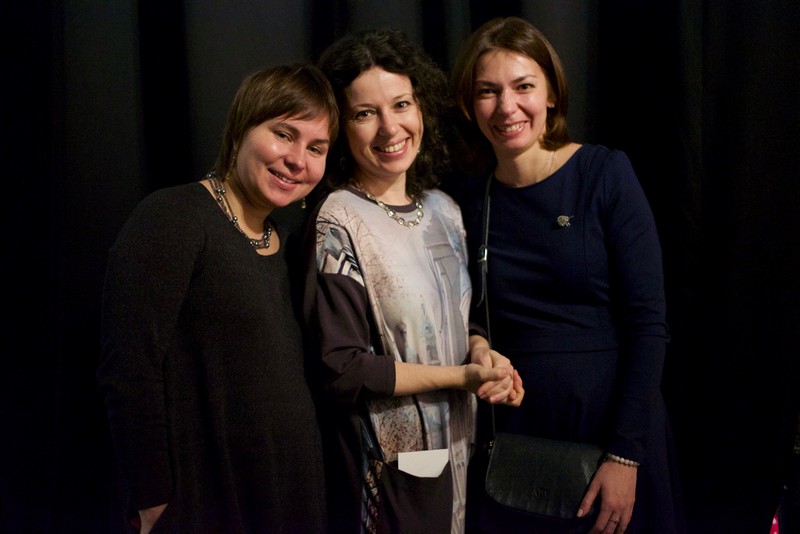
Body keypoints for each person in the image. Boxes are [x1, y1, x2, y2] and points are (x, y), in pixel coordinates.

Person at [448, 17, 685, 534]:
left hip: (612, 433)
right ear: (469, 104)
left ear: (551, 94)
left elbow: (649, 326)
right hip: (520, 440)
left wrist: (625, 455)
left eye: (523, 86)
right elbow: (470, 314)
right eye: (488, 91)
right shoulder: (467, 200)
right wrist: (478, 344)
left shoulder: (604, 174)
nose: (506, 107)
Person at [98, 64, 338, 533]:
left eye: (316, 148)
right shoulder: (175, 217)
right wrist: (153, 502)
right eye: (283, 134)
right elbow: (128, 369)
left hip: (289, 499)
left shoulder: (290, 246)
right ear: (241, 128)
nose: (297, 160)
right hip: (206, 504)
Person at [303, 29, 523, 534]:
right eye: (365, 113)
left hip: (462, 459)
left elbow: (460, 318)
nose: (390, 127)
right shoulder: (339, 220)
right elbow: (343, 370)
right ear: (340, 127)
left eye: (401, 104)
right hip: (392, 473)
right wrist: (460, 378)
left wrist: (481, 353)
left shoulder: (444, 209)